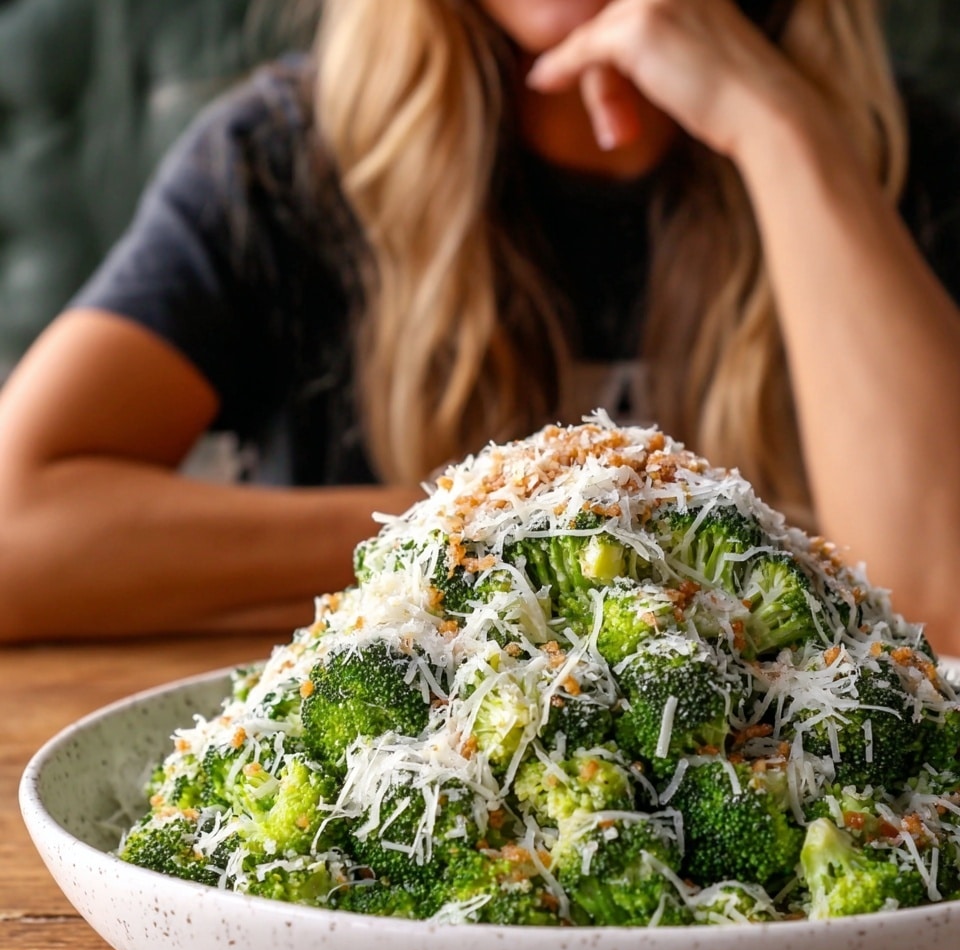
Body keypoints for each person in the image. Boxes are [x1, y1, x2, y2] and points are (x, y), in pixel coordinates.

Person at [1, 0, 959, 650]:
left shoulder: (892, 165)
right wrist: (501, 521)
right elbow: (16, 524)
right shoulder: (282, 158)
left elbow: (941, 610)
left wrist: (779, 127)